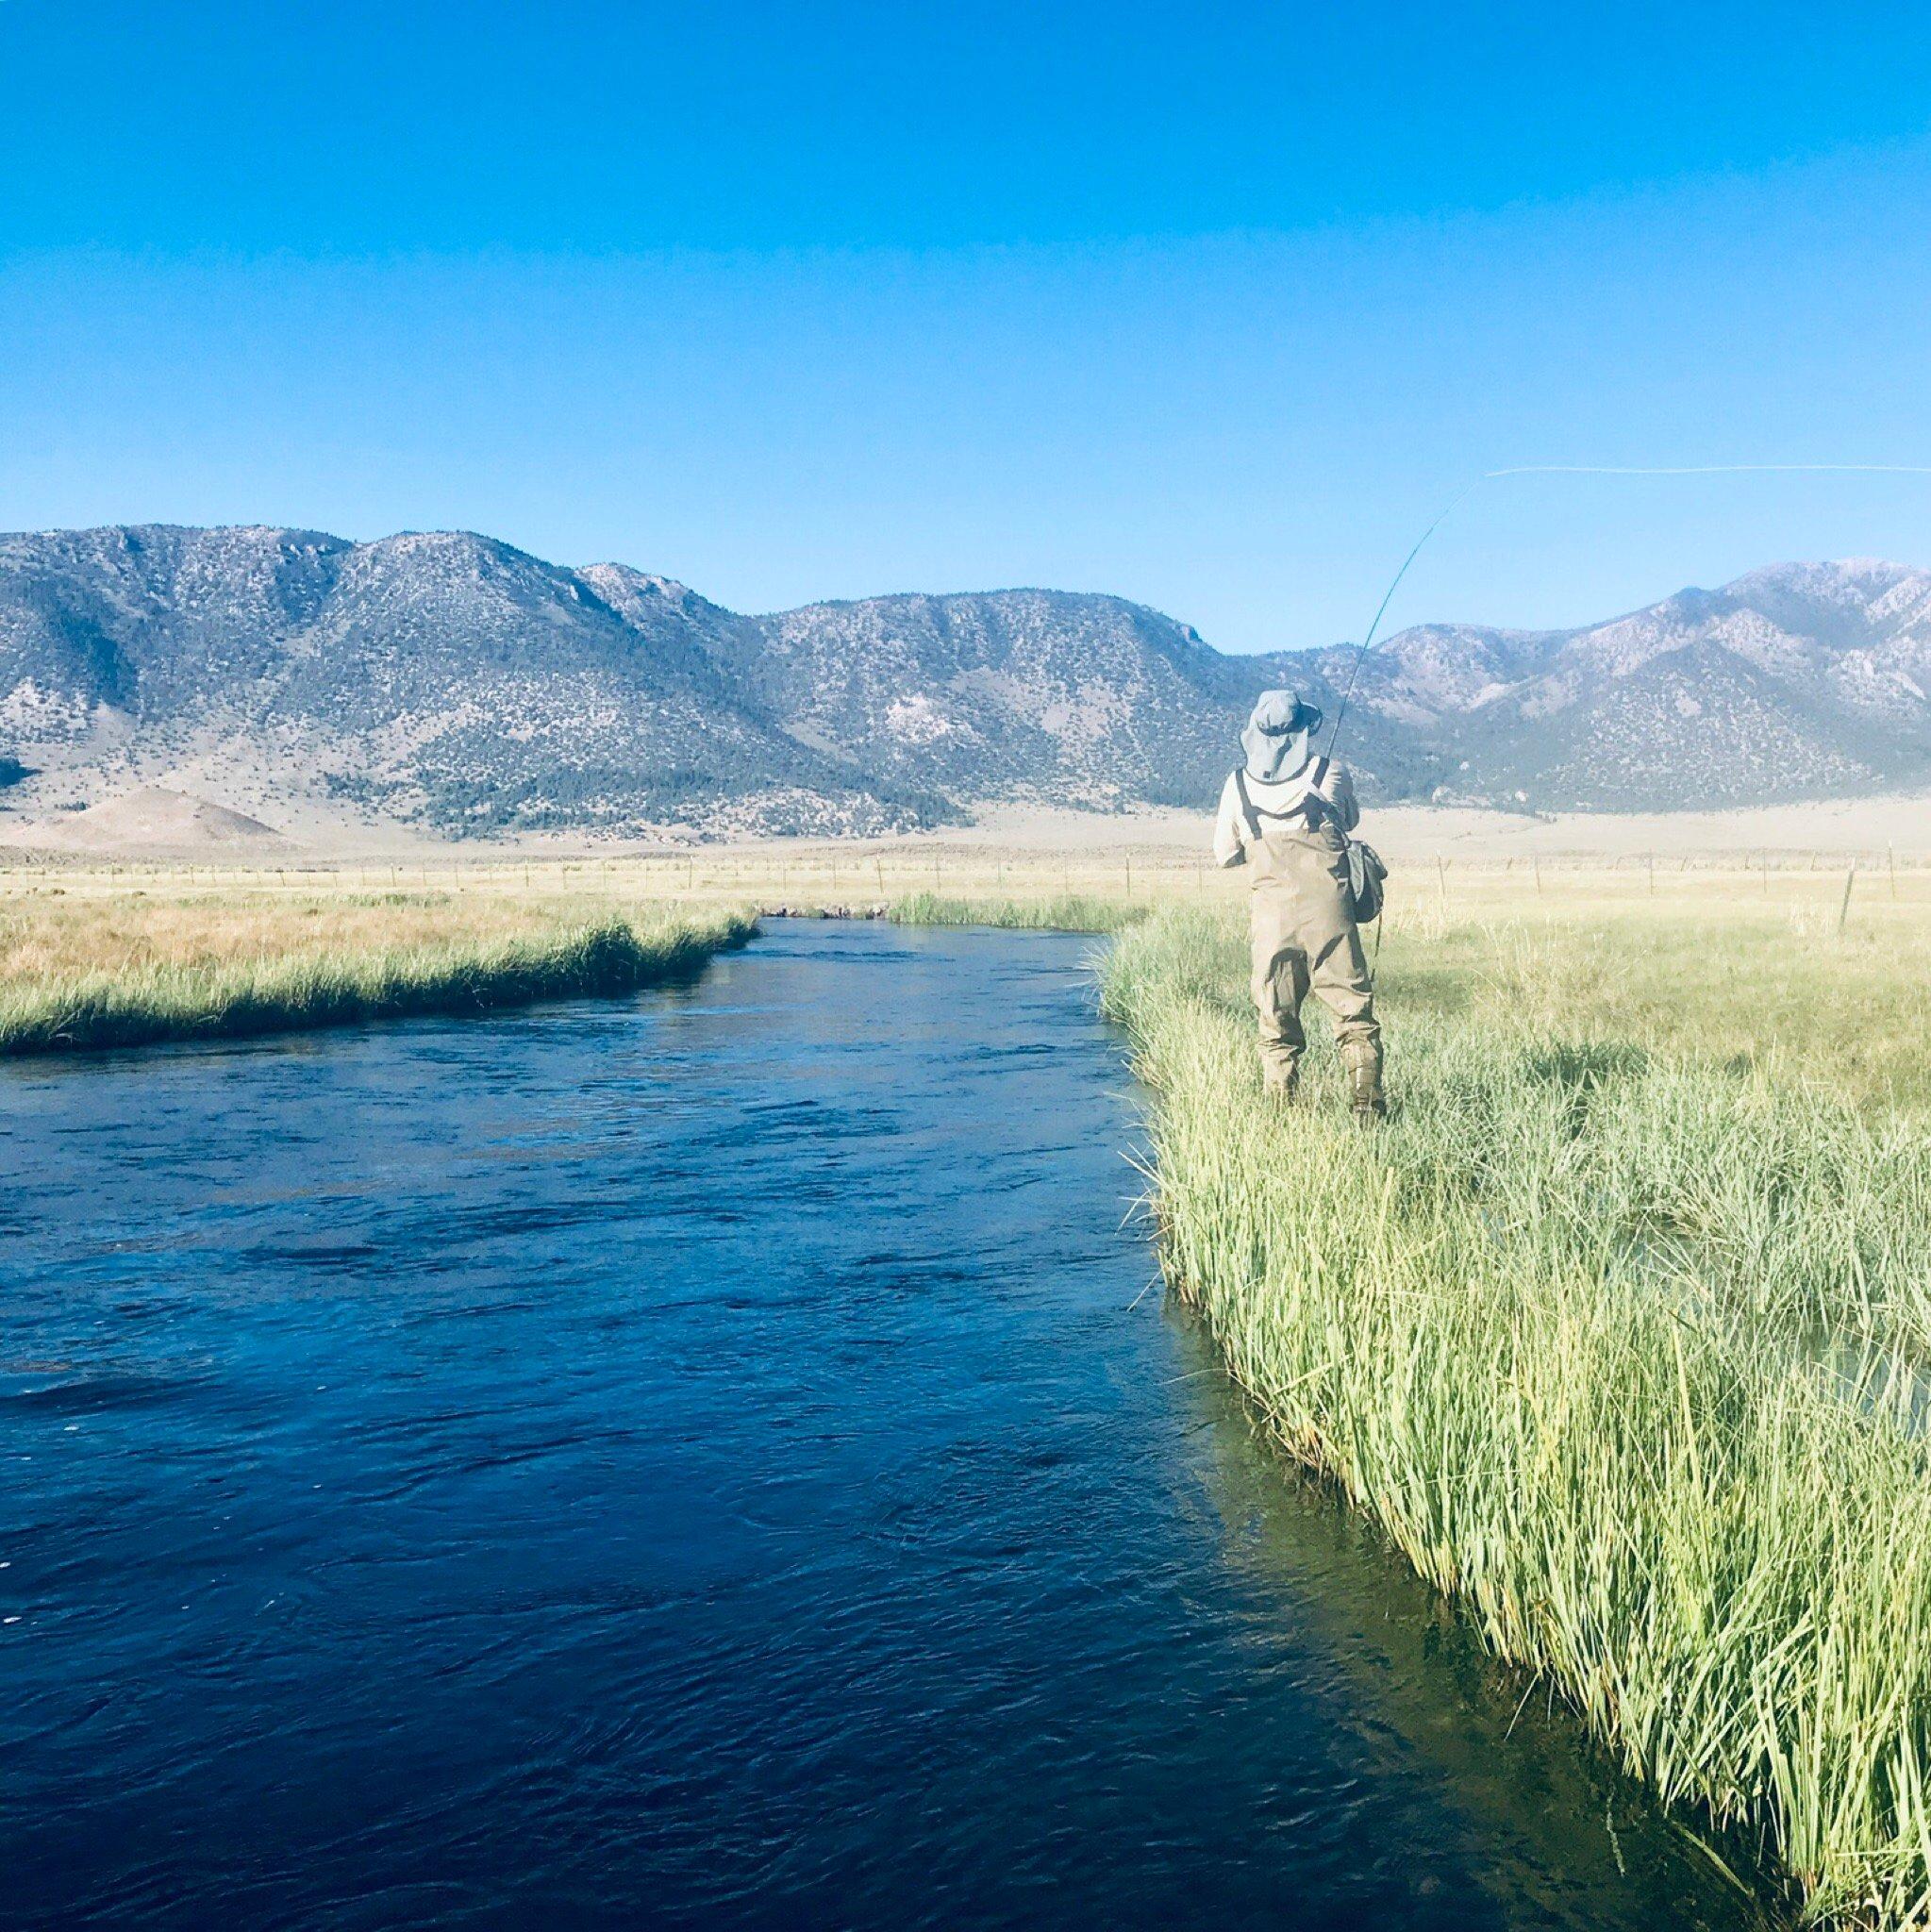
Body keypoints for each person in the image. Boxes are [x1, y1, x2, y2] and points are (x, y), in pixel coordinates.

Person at [1212, 689, 1384, 1120]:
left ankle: (1281, 1114)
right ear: (1304, 730)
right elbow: (1350, 820)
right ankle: (1367, 1107)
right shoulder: (1331, 772)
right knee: (1352, 1010)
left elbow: (1225, 854)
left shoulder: (1236, 786)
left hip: (1272, 921)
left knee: (1276, 1019)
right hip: (1330, 913)